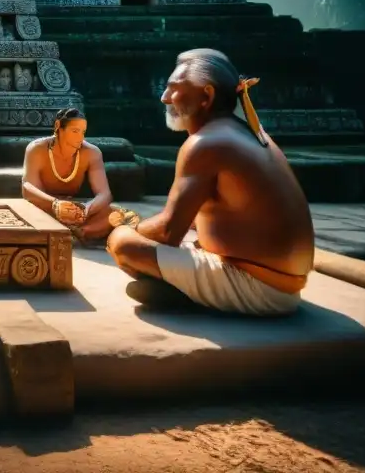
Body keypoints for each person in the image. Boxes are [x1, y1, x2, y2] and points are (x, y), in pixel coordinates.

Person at [106, 49, 315, 316]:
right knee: (191, 234)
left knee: (124, 244)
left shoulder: (205, 143)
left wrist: (125, 227)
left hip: (262, 288)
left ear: (206, 96)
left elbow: (168, 232)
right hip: (285, 286)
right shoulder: (248, 130)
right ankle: (185, 290)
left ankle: (189, 293)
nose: (164, 98)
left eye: (173, 89)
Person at [21, 108, 139, 244]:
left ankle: (80, 232)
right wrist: (55, 204)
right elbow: (28, 188)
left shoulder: (92, 153)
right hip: (45, 208)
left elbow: (104, 194)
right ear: (58, 126)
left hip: (76, 211)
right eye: (75, 131)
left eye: (83, 132)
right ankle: (70, 232)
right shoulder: (36, 149)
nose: (80, 137)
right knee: (28, 214)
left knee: (120, 215)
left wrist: (86, 208)